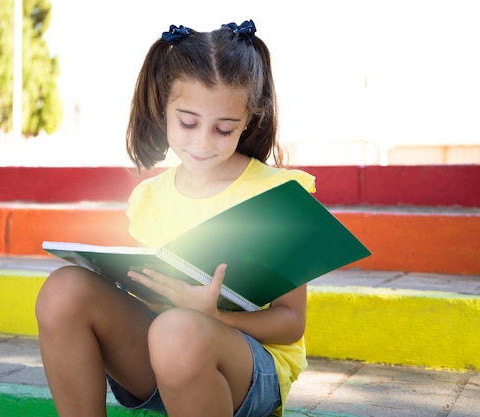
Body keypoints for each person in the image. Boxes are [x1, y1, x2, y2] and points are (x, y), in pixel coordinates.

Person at [35, 19, 316, 417]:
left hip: (246, 370)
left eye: (223, 129)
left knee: (176, 329)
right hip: (165, 357)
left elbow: (291, 322)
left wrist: (213, 315)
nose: (202, 143)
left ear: (249, 120)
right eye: (187, 123)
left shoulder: (277, 195)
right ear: (163, 108)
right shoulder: (150, 197)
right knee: (63, 290)